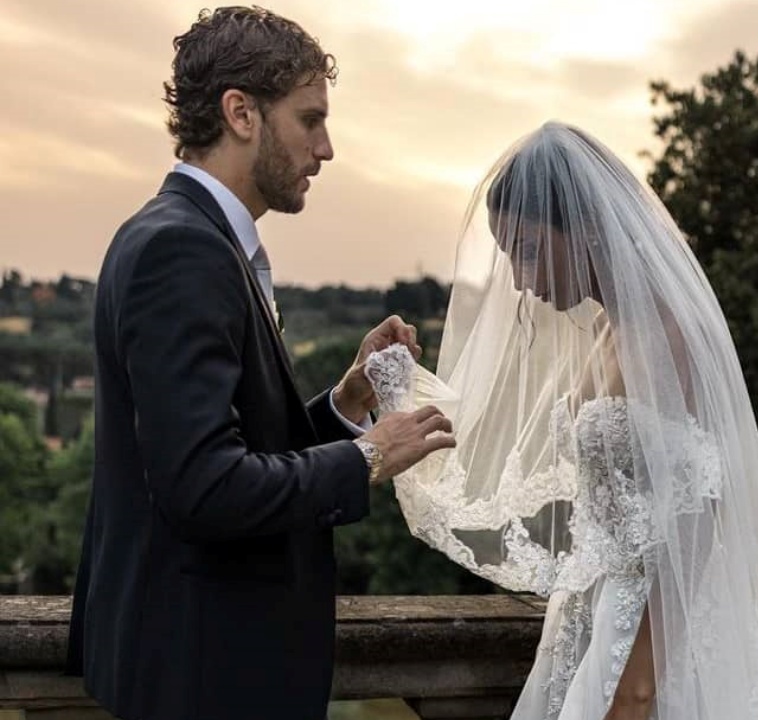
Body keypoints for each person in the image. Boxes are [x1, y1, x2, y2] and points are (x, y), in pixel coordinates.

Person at [366, 121, 758, 719]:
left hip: (658, 640)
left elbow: (696, 517)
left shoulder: (674, 337)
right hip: (589, 620)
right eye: (511, 257)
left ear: (588, 228)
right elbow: (501, 446)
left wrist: (635, 688)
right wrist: (394, 386)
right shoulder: (605, 331)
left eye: (531, 251)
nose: (520, 278)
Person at [64, 8, 454, 720]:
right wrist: (368, 456)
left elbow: (237, 445)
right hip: (204, 677)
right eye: (310, 120)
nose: (327, 148)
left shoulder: (194, 237)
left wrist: (345, 401)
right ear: (241, 113)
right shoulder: (180, 251)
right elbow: (204, 488)